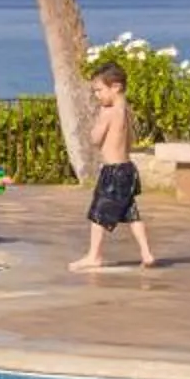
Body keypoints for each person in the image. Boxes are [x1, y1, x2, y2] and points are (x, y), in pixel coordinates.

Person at [74, 62, 158, 272]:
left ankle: (94, 255)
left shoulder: (109, 112)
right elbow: (129, 139)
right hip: (128, 168)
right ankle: (146, 253)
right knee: (131, 212)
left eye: (99, 90)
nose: (97, 95)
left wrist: (97, 121)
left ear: (116, 87)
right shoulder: (126, 111)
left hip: (113, 171)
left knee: (98, 213)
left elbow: (95, 139)